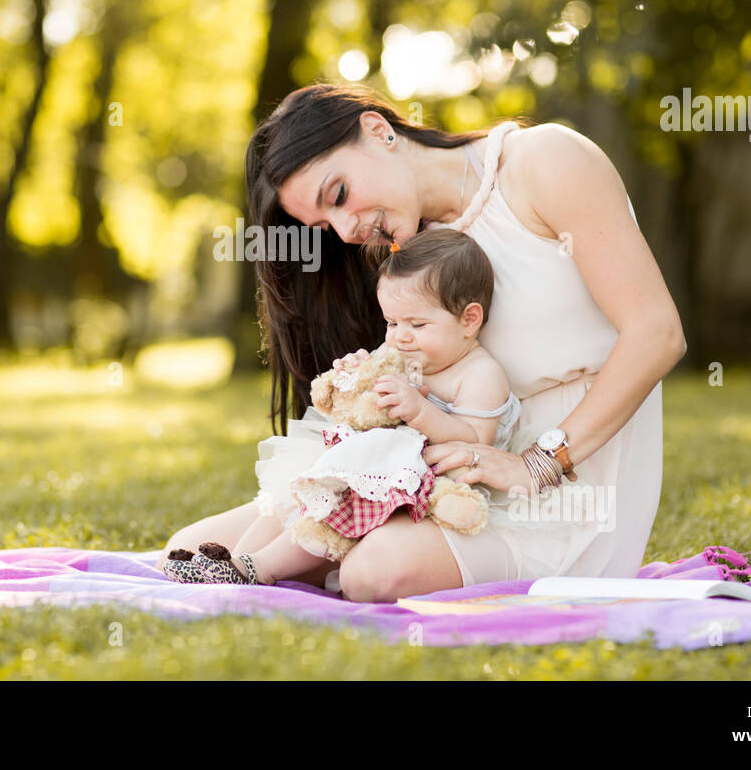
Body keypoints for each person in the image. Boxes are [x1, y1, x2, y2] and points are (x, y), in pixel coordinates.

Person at [160, 83, 686, 603]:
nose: (345, 231)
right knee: (186, 549)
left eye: (338, 194)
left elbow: (657, 334)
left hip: (564, 481)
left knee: (375, 571)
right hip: (435, 468)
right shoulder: (409, 247)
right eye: (324, 224)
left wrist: (534, 465)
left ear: (378, 130)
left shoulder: (543, 162)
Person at [162, 229, 521, 587]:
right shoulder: (403, 354)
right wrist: (353, 380)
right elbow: (362, 407)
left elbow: (476, 442)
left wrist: (419, 411)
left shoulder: (480, 373)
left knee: (328, 505)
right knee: (296, 493)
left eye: (417, 324)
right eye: (392, 323)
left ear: (469, 320)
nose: (399, 336)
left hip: (419, 487)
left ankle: (259, 568)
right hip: (367, 468)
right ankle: (234, 562)